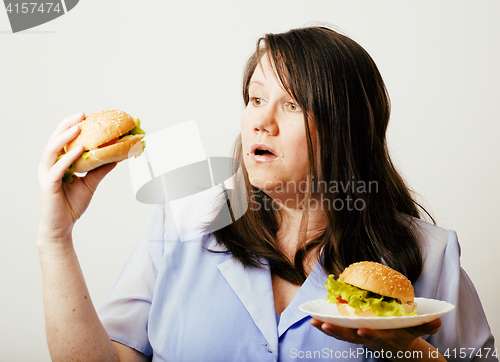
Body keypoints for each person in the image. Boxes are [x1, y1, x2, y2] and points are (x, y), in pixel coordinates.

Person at [37, 26, 496, 361]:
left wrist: (409, 350)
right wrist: (56, 239)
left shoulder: (428, 257)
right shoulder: (182, 221)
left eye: (292, 104)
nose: (261, 121)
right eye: (256, 99)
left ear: (347, 129)